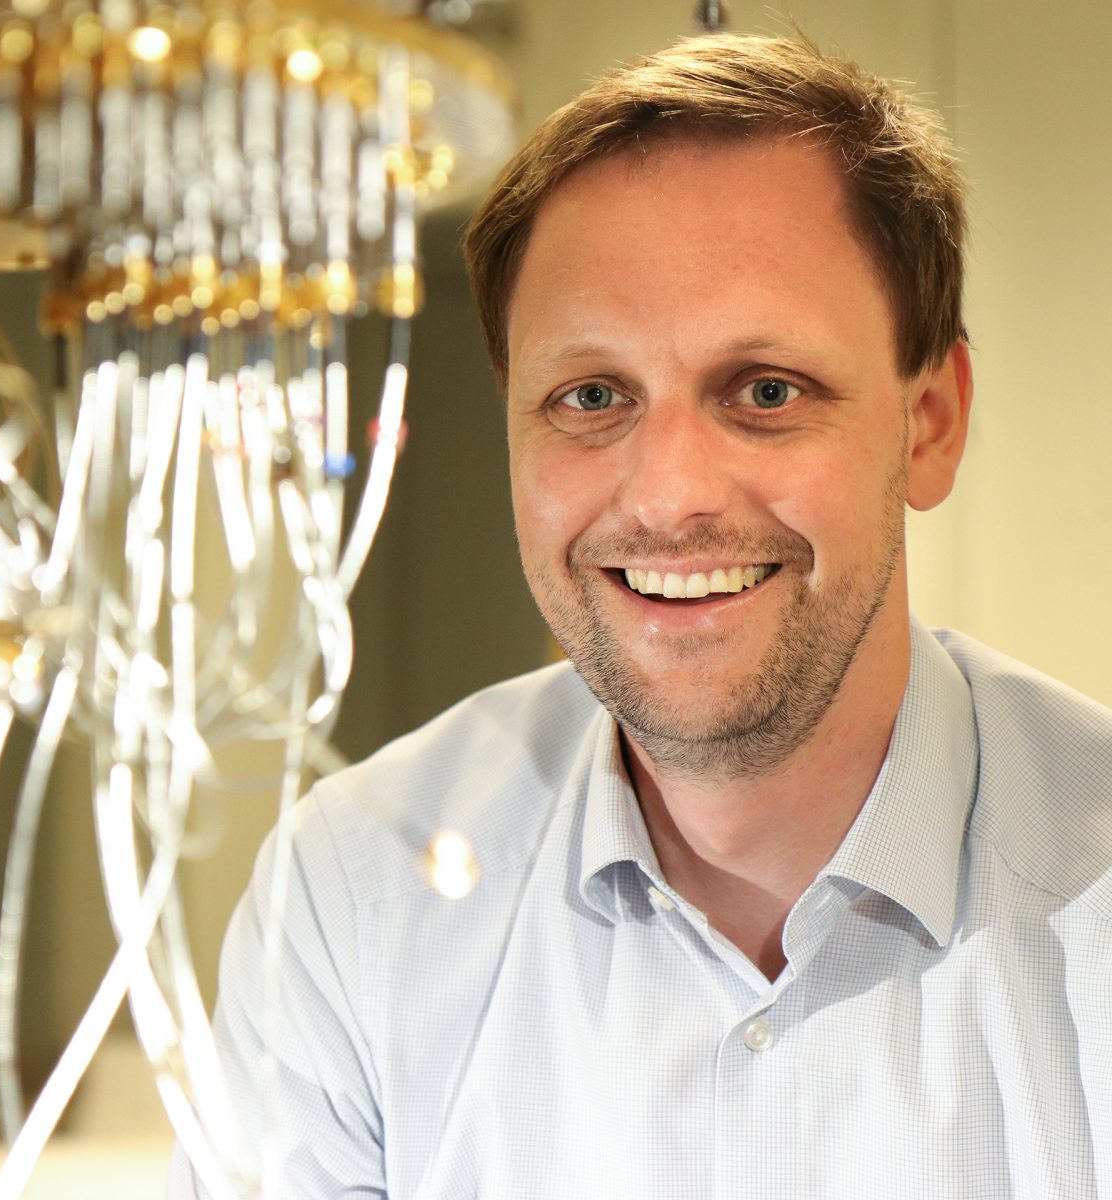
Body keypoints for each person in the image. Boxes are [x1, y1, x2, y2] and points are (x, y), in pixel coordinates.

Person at [171, 33, 1112, 1199]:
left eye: (767, 392)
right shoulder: (354, 897)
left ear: (928, 424)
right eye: (591, 397)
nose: (668, 496)